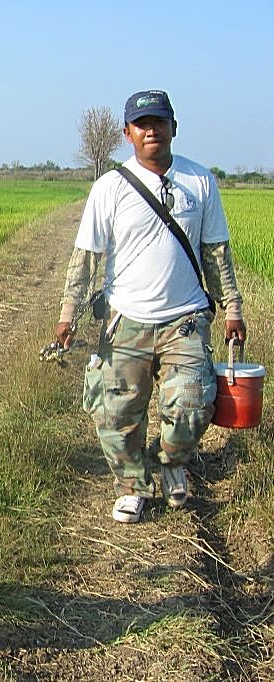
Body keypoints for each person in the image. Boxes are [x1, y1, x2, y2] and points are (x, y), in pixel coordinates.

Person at [56, 89, 247, 524]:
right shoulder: (110, 187)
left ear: (173, 128)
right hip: (125, 321)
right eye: (142, 124)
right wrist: (68, 314)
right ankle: (132, 486)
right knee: (116, 415)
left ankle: (171, 462)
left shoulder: (200, 182)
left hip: (186, 319)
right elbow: (85, 258)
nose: (152, 130)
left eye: (159, 122)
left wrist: (232, 306)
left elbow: (217, 253)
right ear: (128, 133)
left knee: (193, 408)